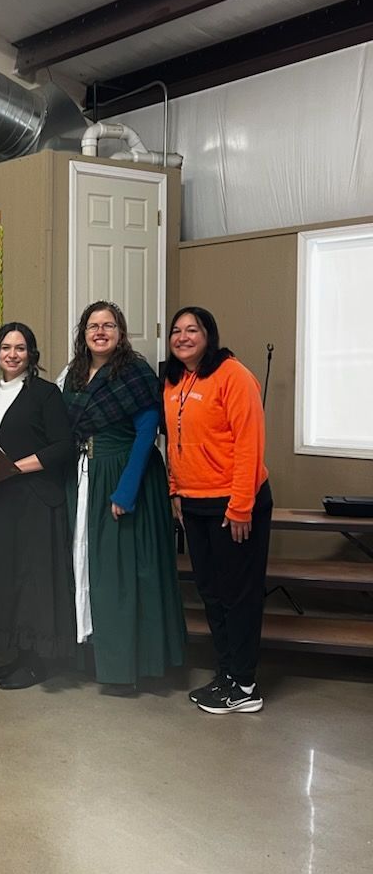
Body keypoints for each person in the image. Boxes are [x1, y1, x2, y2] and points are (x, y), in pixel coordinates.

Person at [60, 302, 186, 687]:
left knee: (122, 572)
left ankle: (129, 662)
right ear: (83, 334)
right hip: (83, 476)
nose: (100, 332)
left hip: (122, 476)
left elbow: (148, 434)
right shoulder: (75, 375)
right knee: (87, 566)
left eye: (108, 325)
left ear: (120, 331)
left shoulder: (135, 372)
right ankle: (89, 654)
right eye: (93, 326)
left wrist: (126, 491)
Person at [164, 306, 272, 714]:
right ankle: (227, 675)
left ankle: (245, 686)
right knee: (211, 593)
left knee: (237, 596)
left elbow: (249, 444)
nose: (183, 336)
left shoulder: (233, 375)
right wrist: (176, 490)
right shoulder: (174, 382)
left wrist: (242, 506)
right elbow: (176, 442)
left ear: (210, 335)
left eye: (193, 329)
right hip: (195, 504)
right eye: (177, 331)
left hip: (234, 506)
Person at [0, 322, 75, 689]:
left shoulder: (46, 394)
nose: (12, 354)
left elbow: (62, 447)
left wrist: (15, 468)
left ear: (31, 355)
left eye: (20, 348)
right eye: (6, 347)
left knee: (31, 578)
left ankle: (37, 661)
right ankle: (16, 653)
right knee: (5, 577)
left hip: (35, 499)